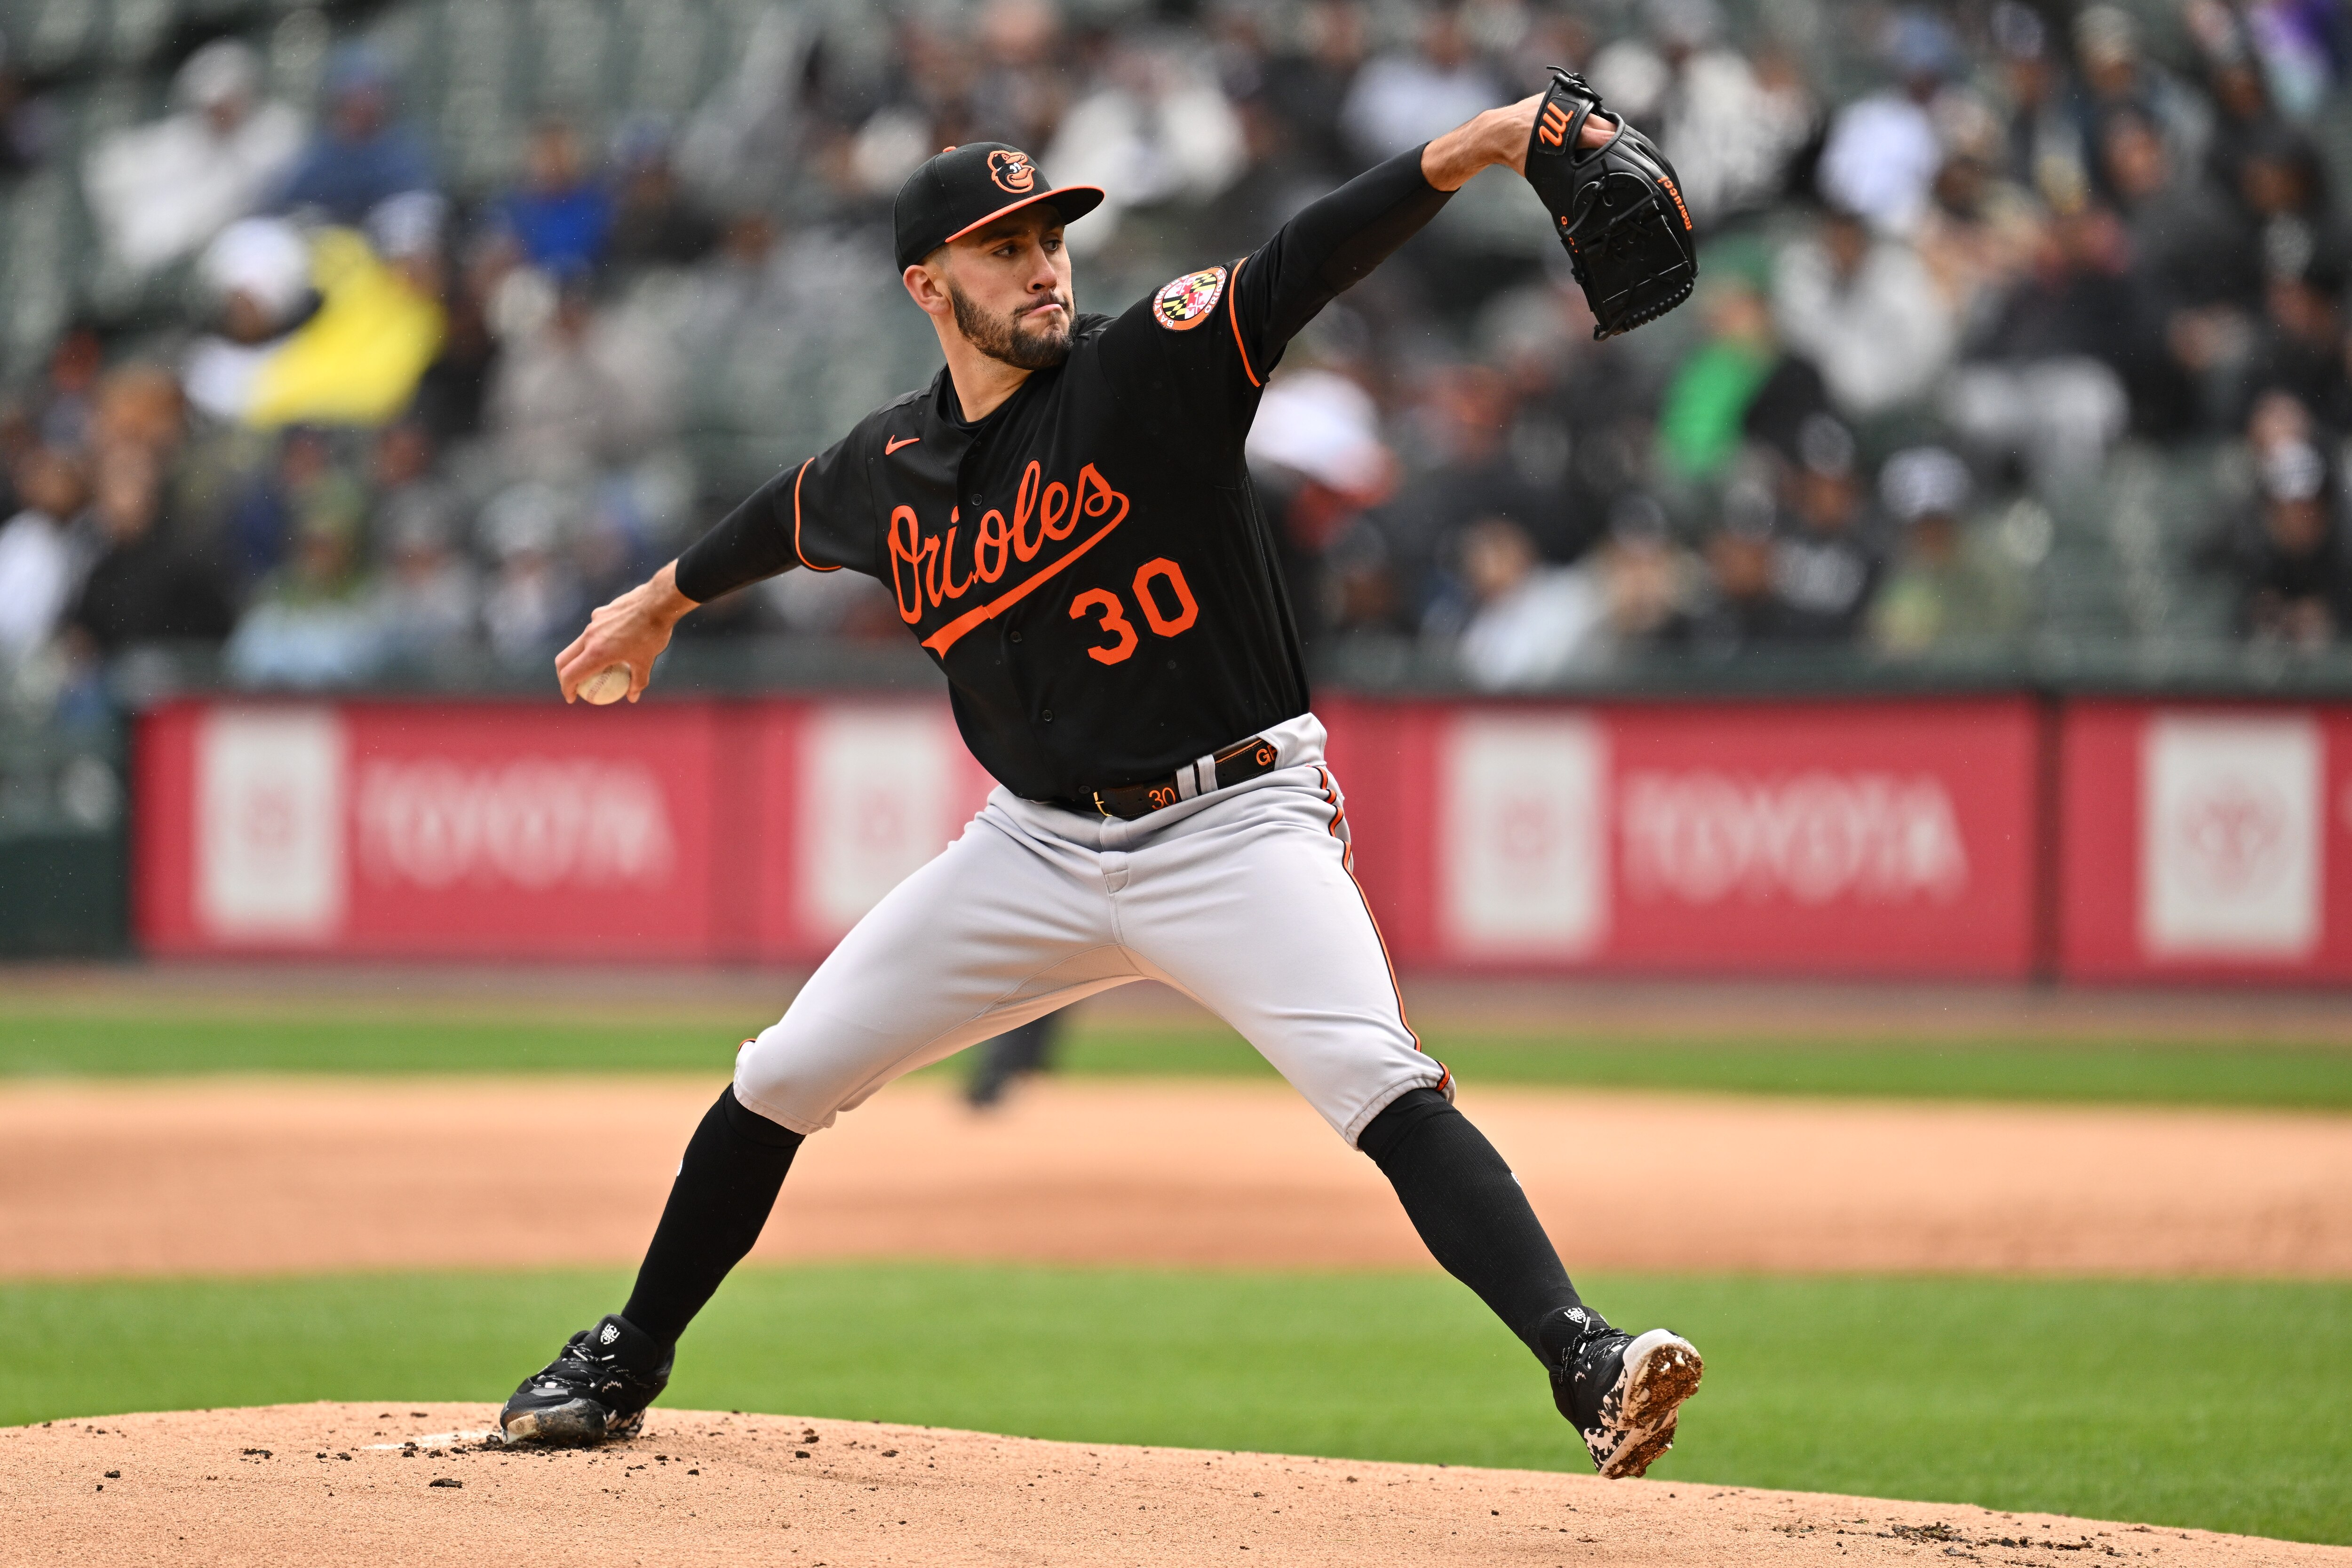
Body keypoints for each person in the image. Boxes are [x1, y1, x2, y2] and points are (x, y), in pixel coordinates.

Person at [499, 102, 1703, 1481]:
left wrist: (1480, 144)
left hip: (1236, 826)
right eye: (1000, 247)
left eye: (1048, 236)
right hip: (1035, 853)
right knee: (780, 1074)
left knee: (1381, 1081)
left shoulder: (1150, 370)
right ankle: (624, 1357)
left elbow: (1303, 256)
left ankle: (1588, 1361)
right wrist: (657, 602)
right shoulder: (887, 472)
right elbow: (782, 515)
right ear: (927, 287)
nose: (1041, 264)